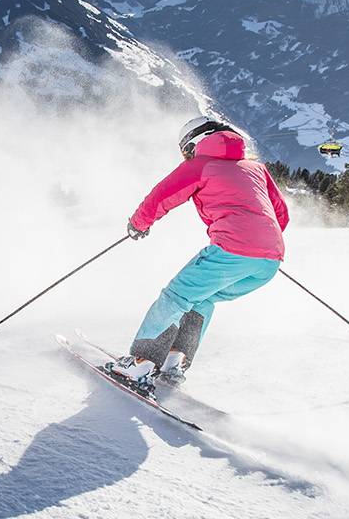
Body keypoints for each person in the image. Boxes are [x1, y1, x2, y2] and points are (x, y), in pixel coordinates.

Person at [116, 116, 289, 386]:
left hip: (233, 251)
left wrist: (138, 224)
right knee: (202, 298)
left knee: (175, 298)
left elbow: (162, 195)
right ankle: (174, 364)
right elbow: (281, 214)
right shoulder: (256, 168)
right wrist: (261, 244)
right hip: (269, 261)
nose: (186, 156)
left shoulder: (202, 164)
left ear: (195, 143)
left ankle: (141, 365)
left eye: (186, 150)